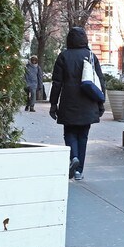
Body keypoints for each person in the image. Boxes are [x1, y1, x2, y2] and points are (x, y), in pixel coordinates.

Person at [49, 27, 106, 181]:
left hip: (69, 103)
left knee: (69, 132)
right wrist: (101, 103)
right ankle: (79, 171)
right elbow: (99, 81)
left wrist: (53, 105)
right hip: (88, 103)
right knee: (83, 136)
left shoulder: (63, 56)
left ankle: (74, 157)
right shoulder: (91, 56)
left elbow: (56, 83)